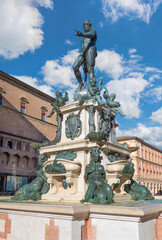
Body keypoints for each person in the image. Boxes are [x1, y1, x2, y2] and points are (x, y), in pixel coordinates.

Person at [73, 20, 97, 92]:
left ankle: (91, 87)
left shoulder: (93, 31)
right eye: (83, 25)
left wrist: (82, 34)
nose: (84, 27)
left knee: (90, 69)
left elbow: (91, 35)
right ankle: (81, 84)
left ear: (89, 25)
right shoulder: (83, 38)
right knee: (75, 67)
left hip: (90, 49)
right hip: (83, 53)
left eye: (86, 25)